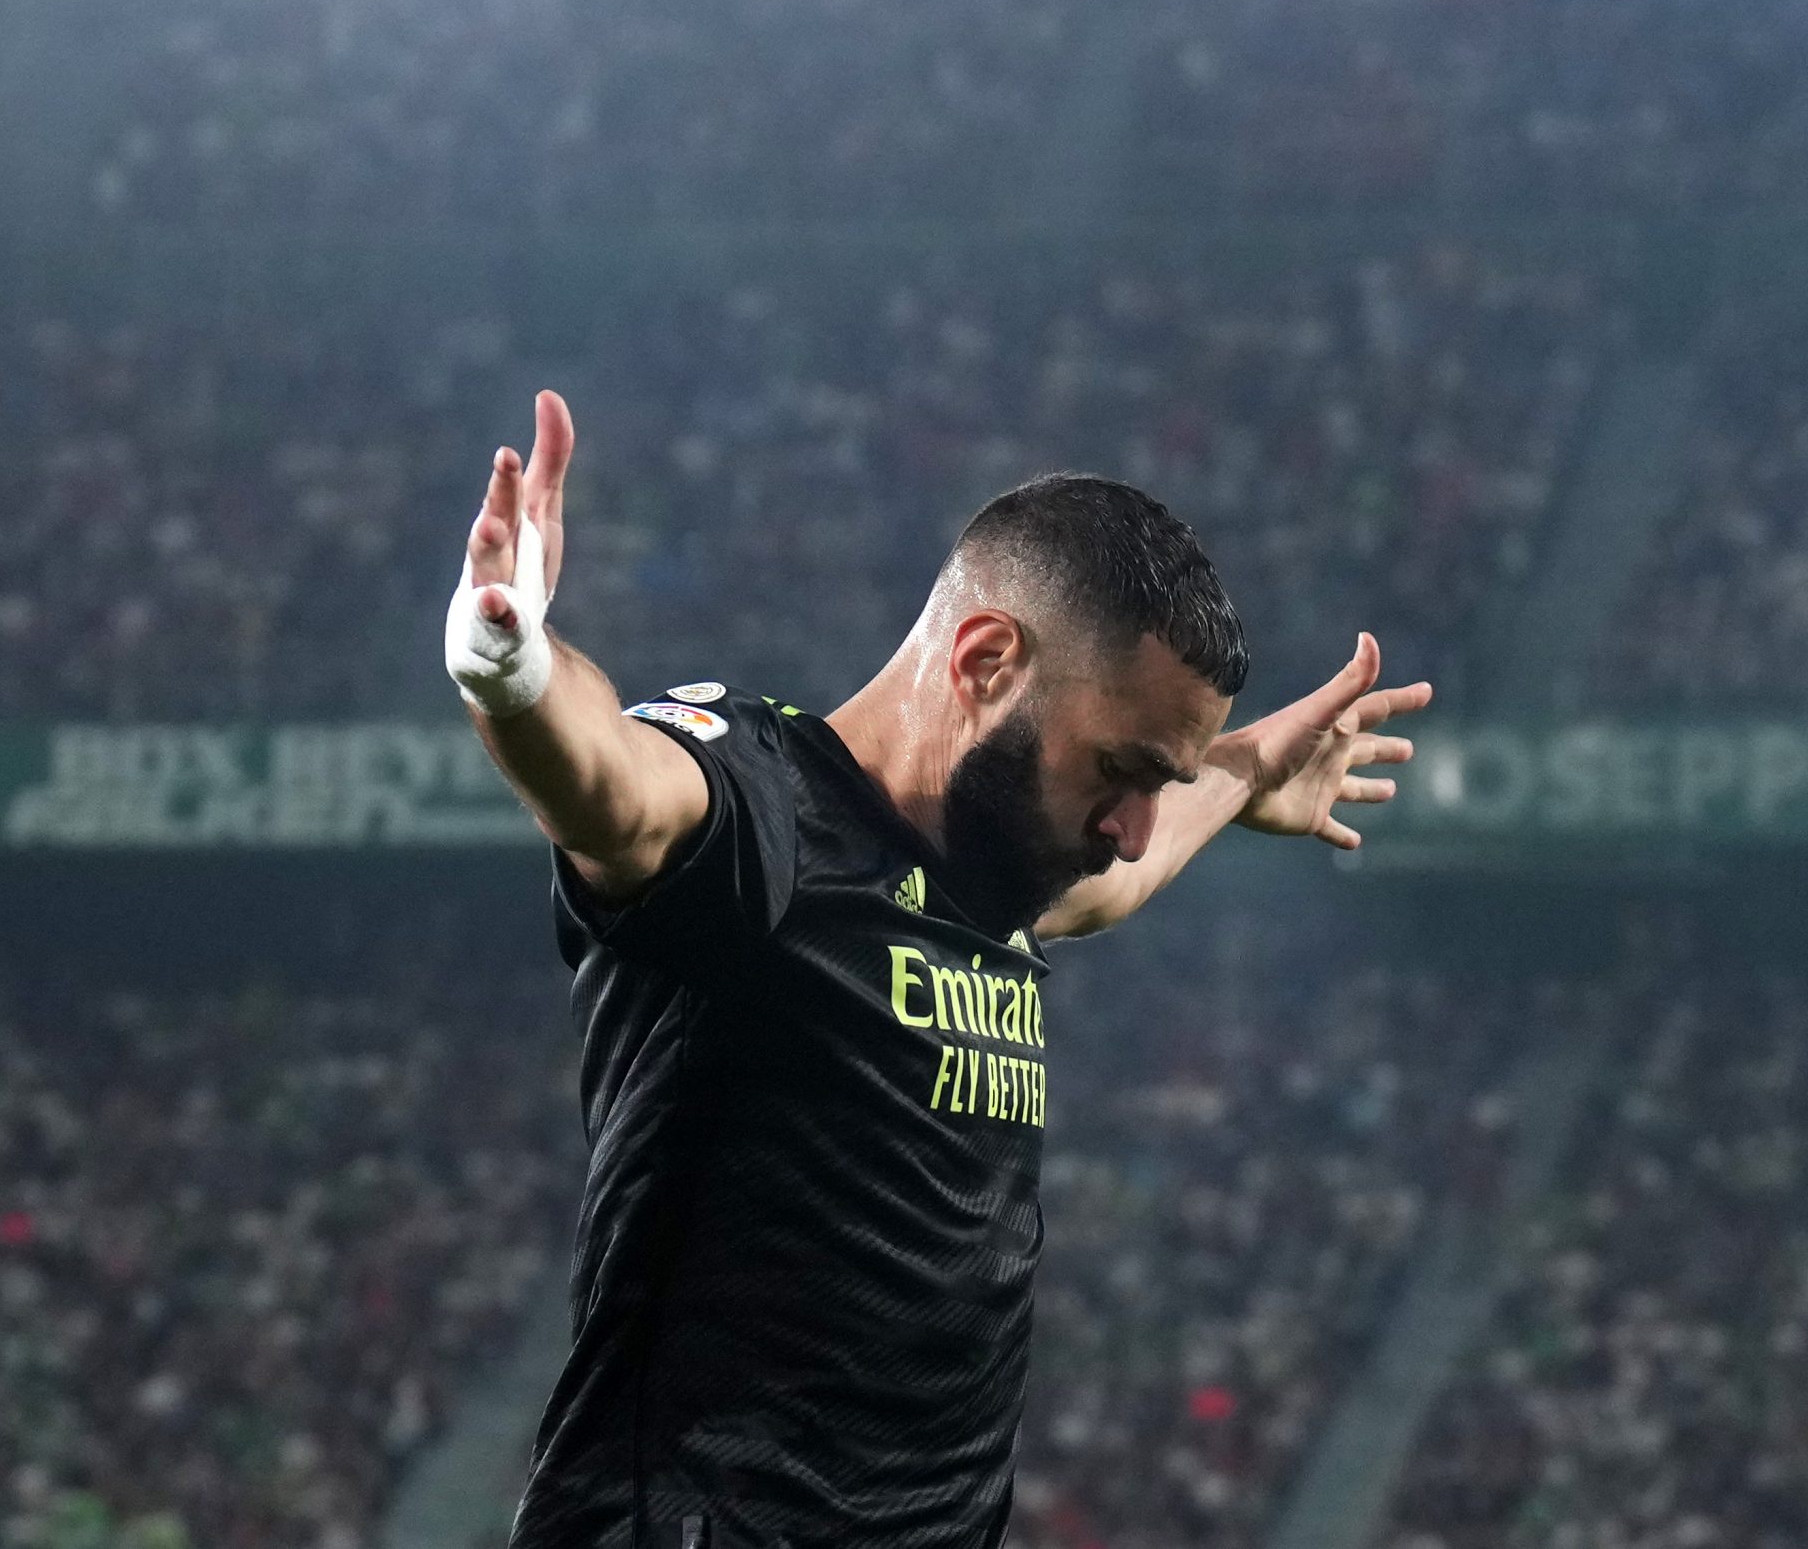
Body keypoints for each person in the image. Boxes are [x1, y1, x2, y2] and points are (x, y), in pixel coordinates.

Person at [445, 390, 1432, 1548]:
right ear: (986, 659)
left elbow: (1115, 881)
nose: (1125, 826)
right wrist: (509, 665)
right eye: (1120, 769)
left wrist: (1243, 773)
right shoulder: (772, 814)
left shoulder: (993, 865)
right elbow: (613, 791)